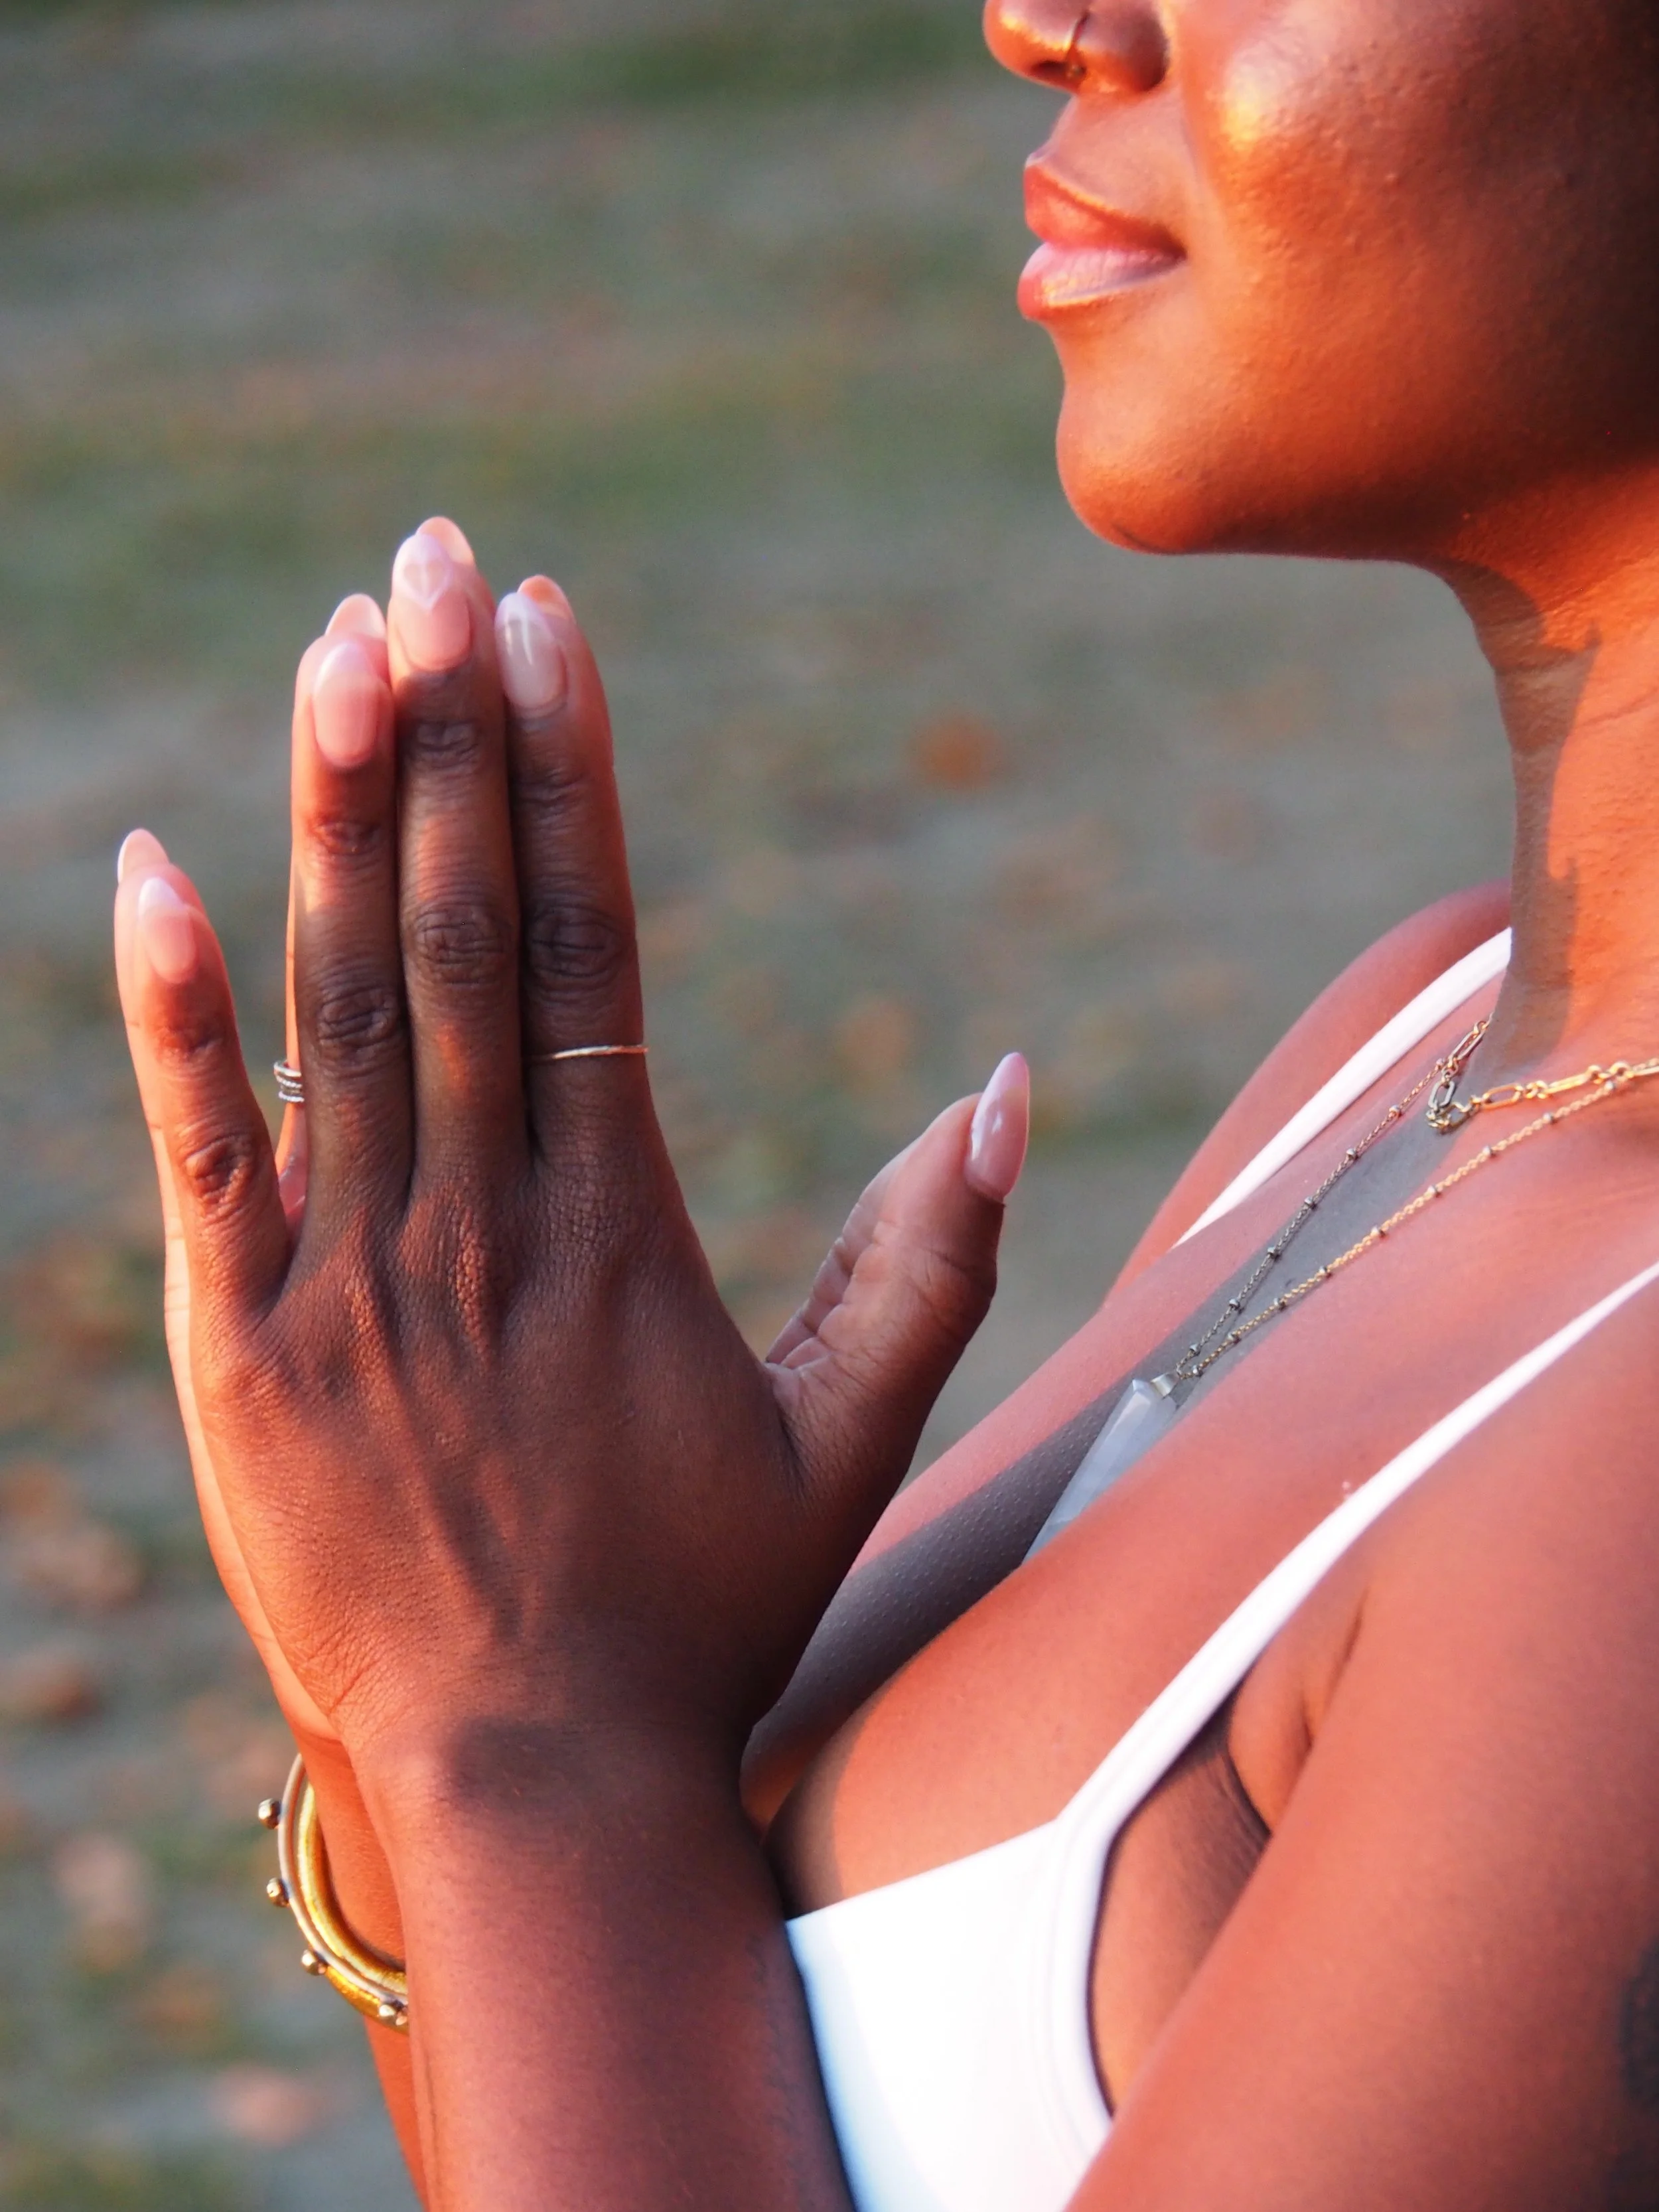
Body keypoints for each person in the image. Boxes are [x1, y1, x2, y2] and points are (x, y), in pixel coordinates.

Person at [110, 0, 1659, 2204]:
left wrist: (509, 1738)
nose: (1043, 18)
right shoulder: (1425, 1030)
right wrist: (431, 1708)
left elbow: (564, 1817)